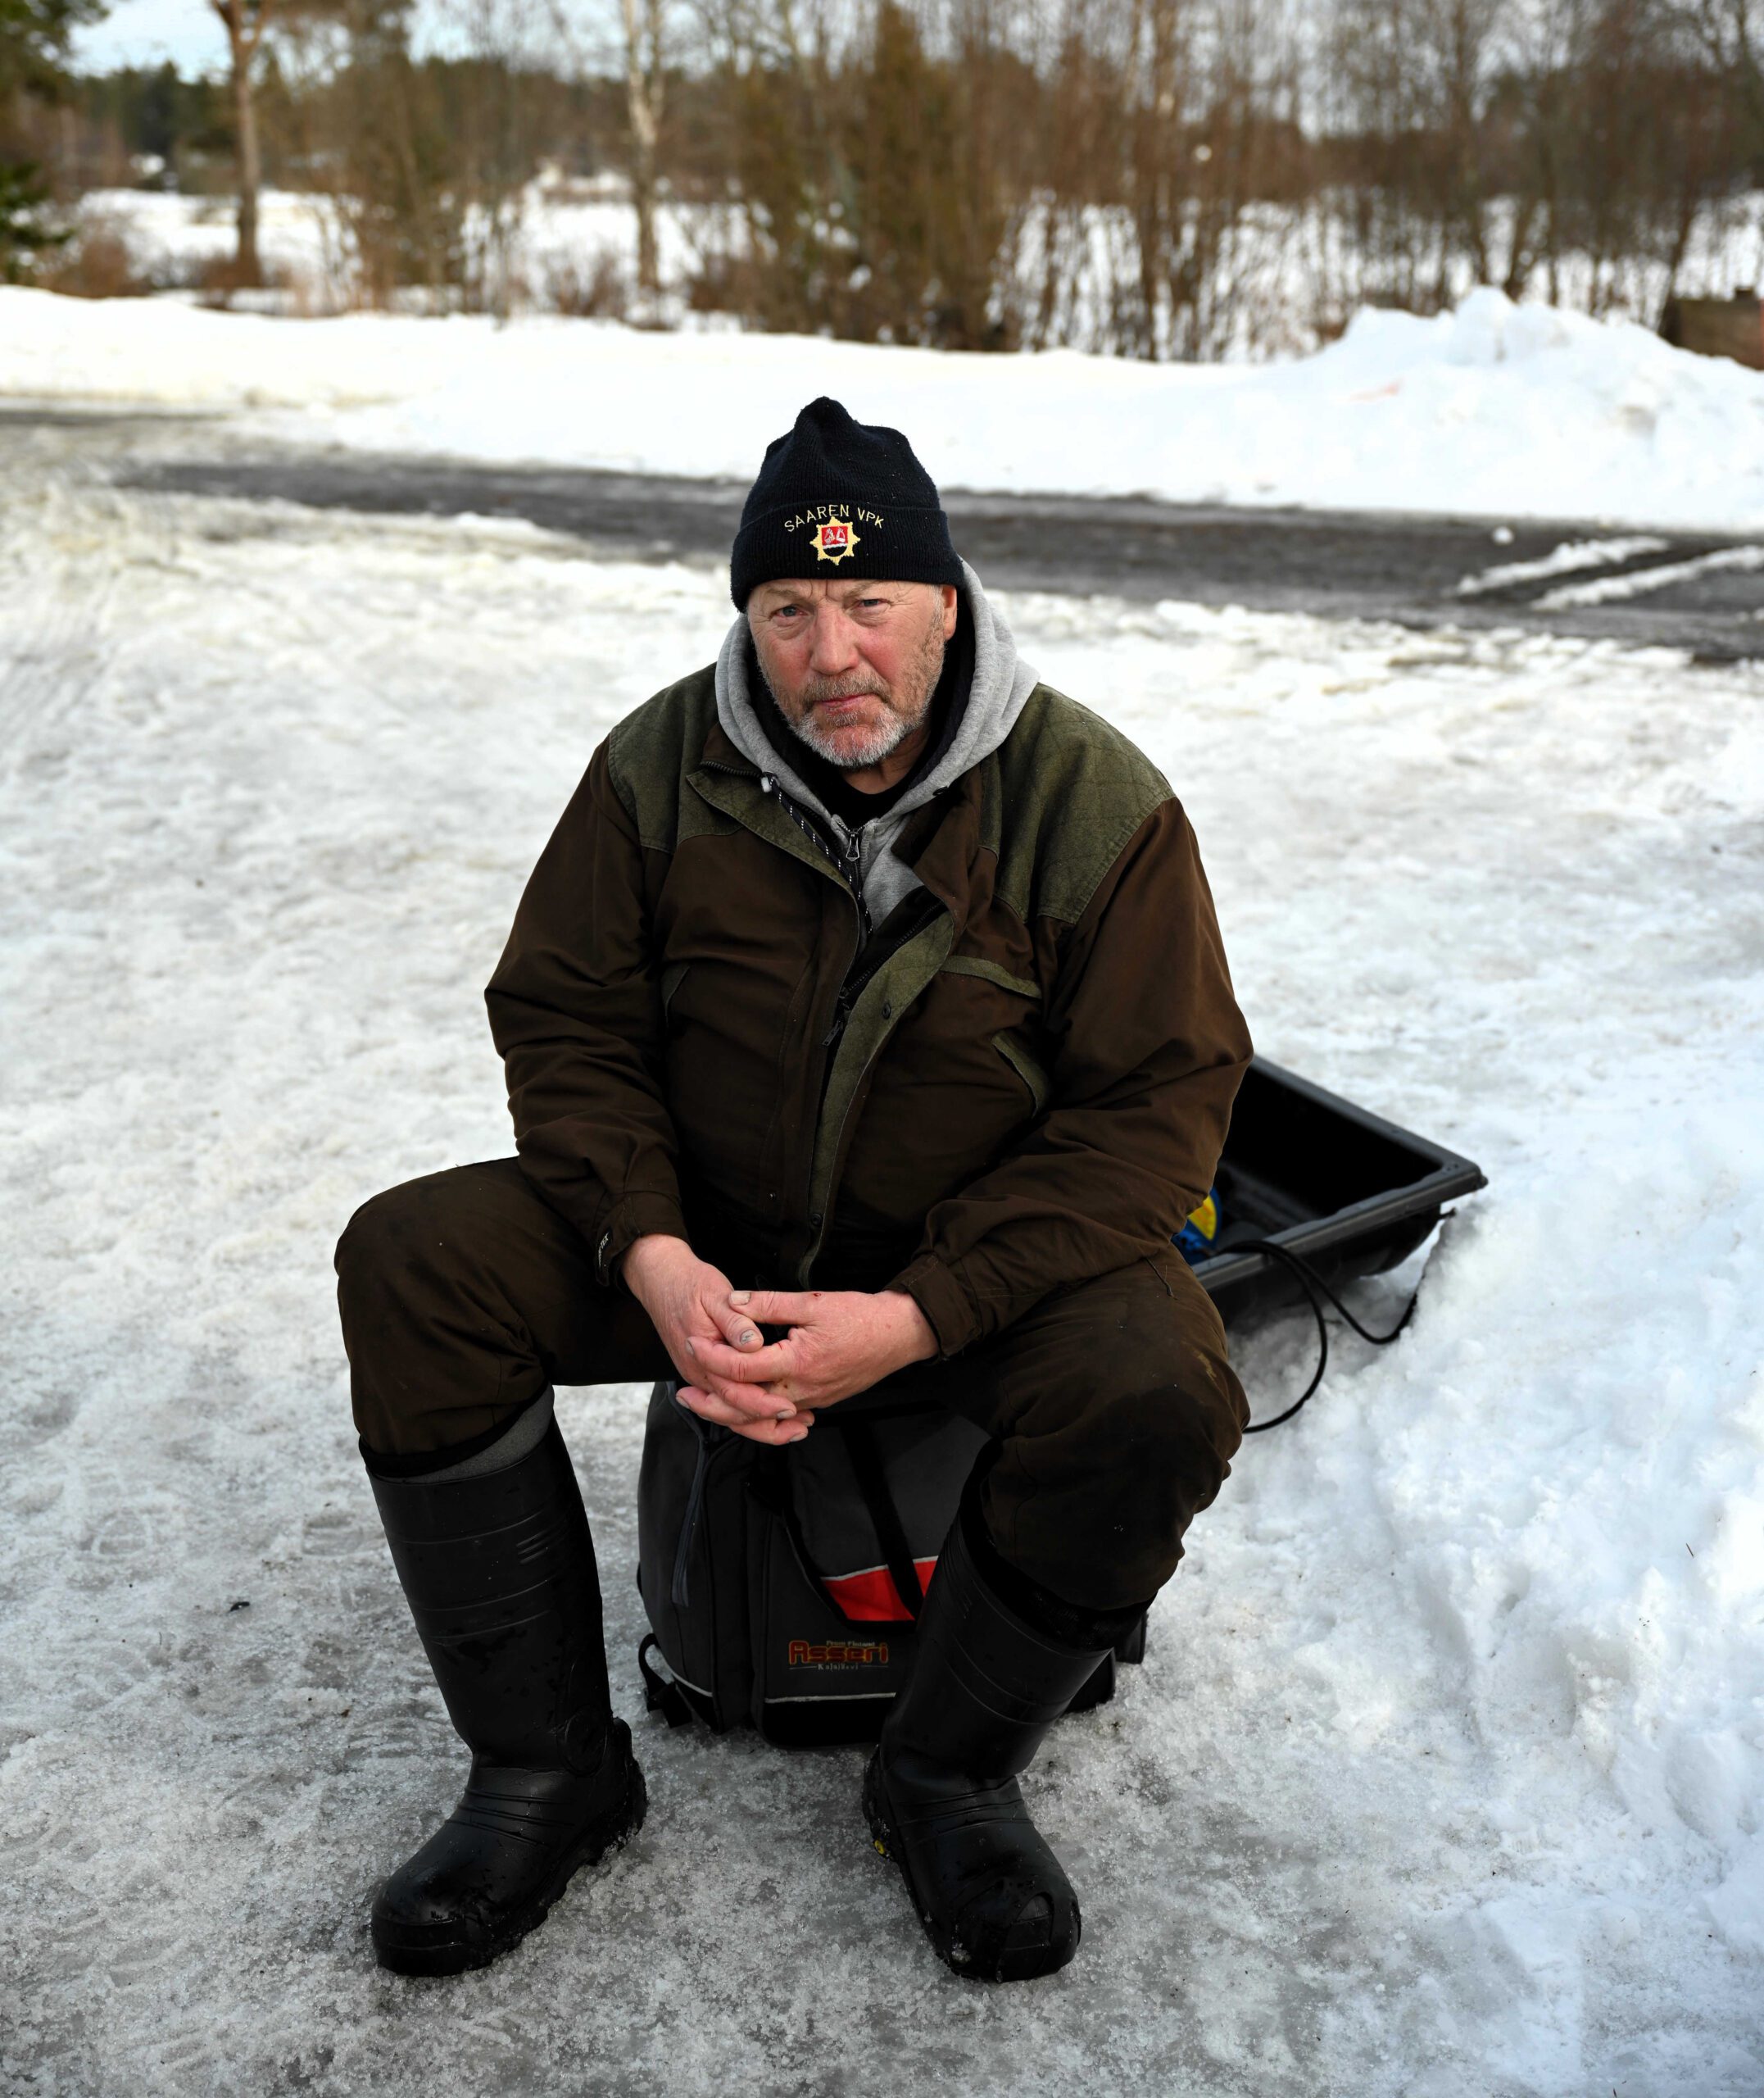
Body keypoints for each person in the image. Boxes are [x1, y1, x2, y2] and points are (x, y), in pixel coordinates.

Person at [335, 397, 1253, 1987]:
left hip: (966, 1264)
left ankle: (946, 1767)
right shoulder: (655, 768)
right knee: (417, 1260)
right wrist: (651, 1250)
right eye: (789, 608)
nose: (835, 653)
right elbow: (568, 1020)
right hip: (707, 1238)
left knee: (1161, 1374)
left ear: (947, 607)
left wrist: (923, 1312)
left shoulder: (1092, 800)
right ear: (748, 618)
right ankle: (550, 1768)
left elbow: (1156, 1110)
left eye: (872, 603)